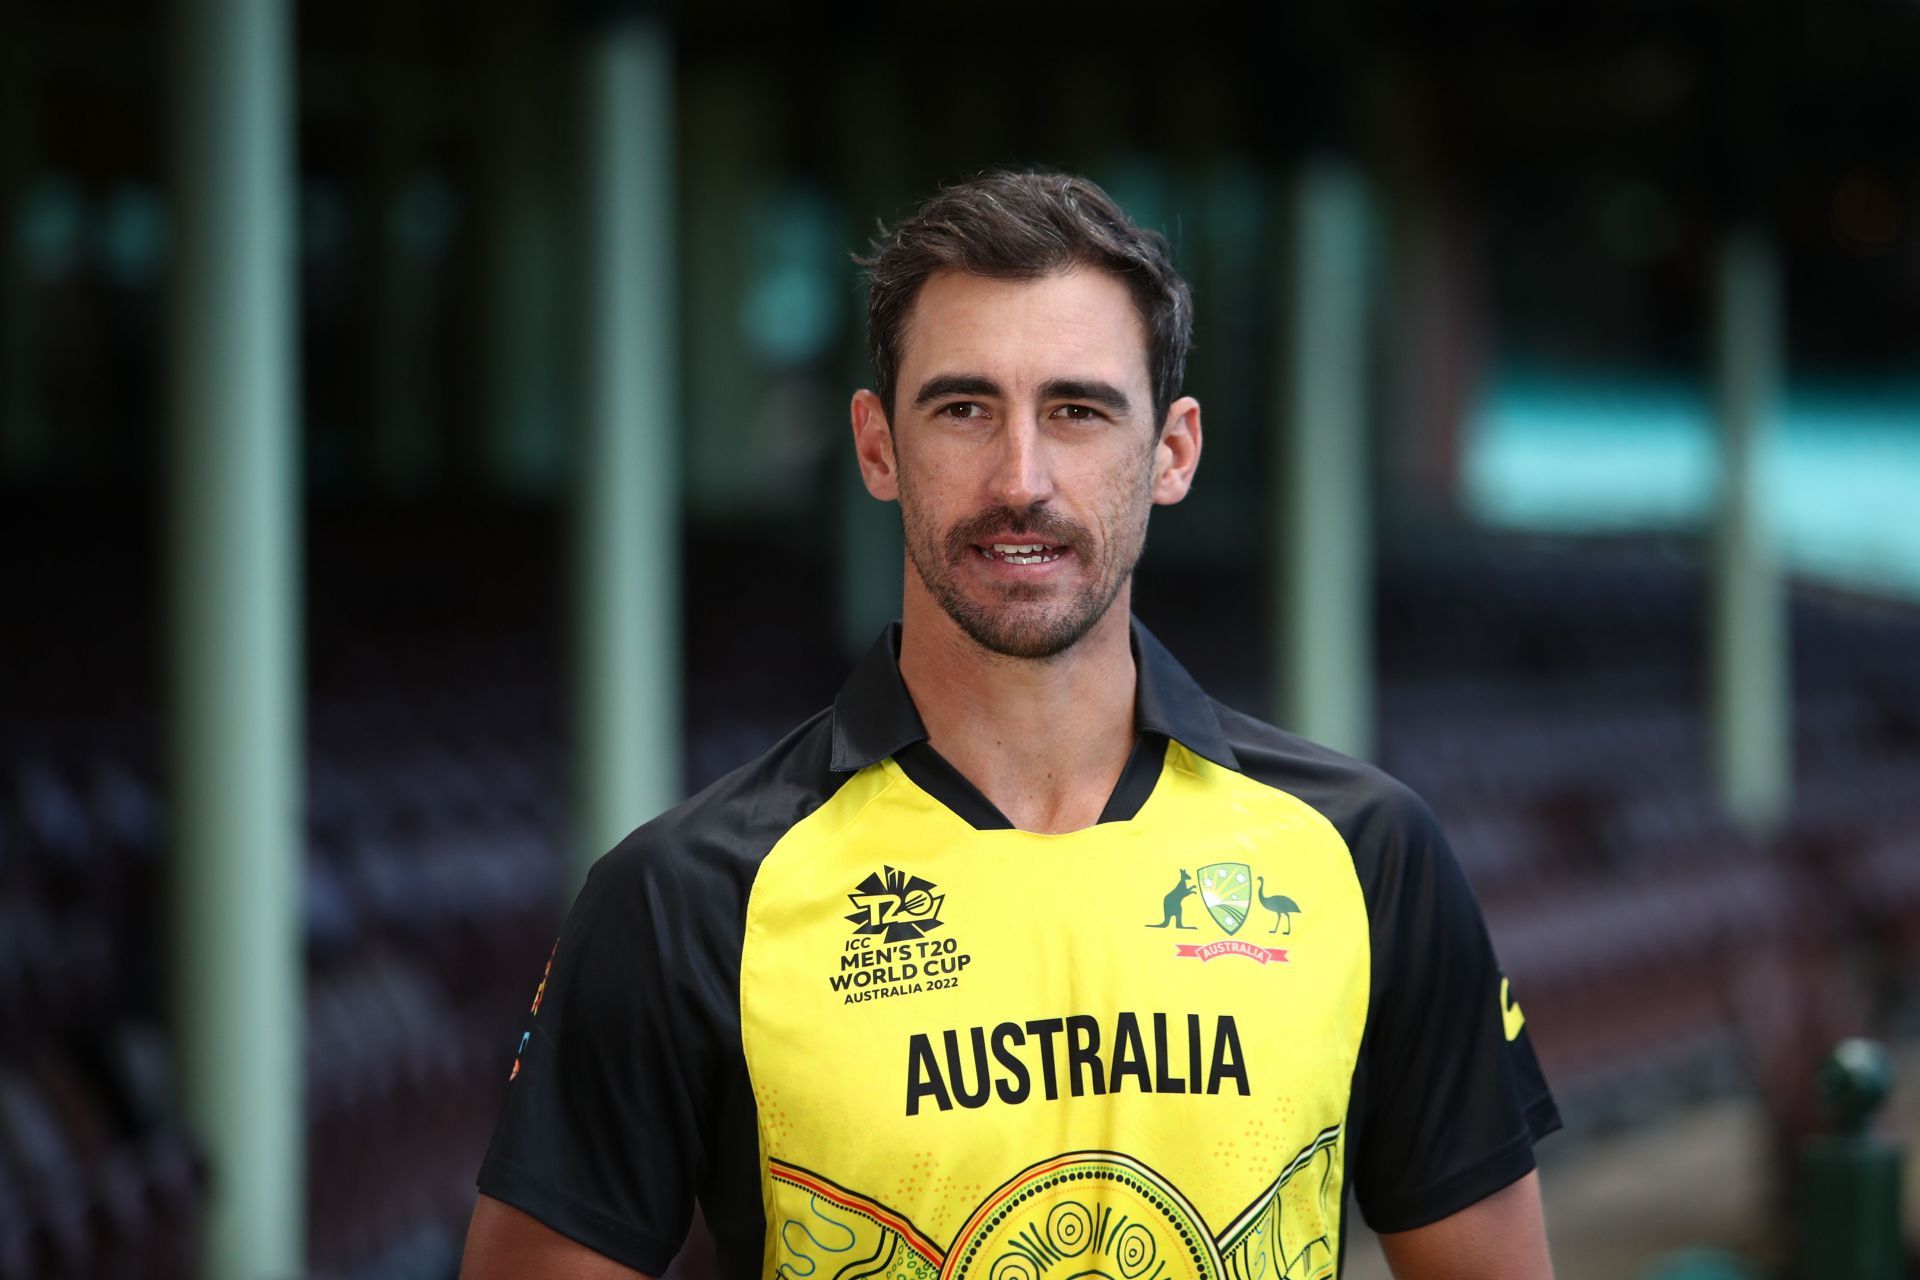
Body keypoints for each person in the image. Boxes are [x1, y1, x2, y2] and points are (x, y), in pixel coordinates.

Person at [460, 170, 1559, 1280]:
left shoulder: (1367, 855)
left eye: (1078, 410)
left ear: (1172, 451)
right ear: (878, 445)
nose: (1020, 478)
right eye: (963, 407)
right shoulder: (688, 894)